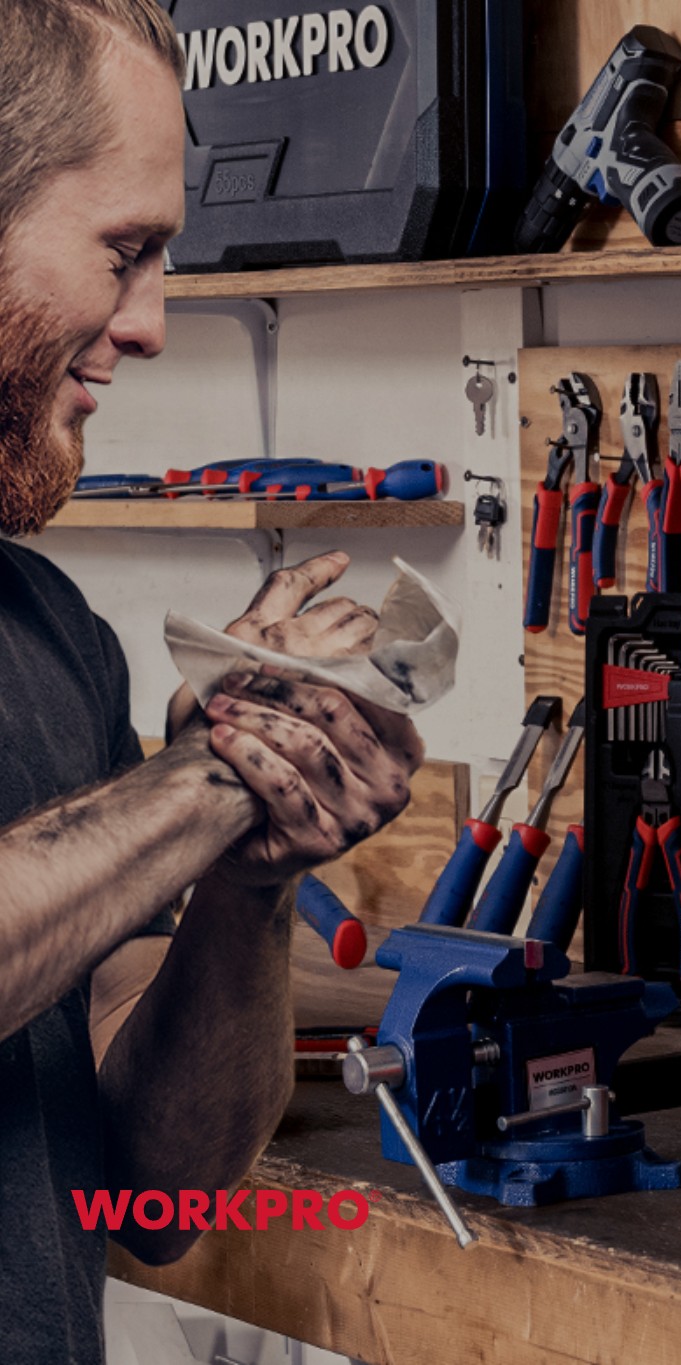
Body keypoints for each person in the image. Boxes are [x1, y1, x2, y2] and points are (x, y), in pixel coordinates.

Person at [0, 2, 423, 1360]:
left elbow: (160, 1195)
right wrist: (209, 778)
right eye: (124, 252)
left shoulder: (52, 636)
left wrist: (249, 869)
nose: (152, 324)